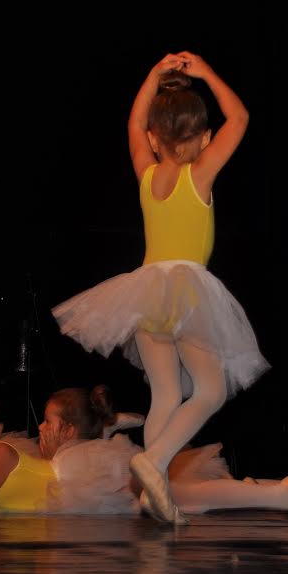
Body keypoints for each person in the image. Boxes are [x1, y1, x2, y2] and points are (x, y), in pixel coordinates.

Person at [52, 52, 269, 524]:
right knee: (210, 391)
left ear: (154, 137)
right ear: (205, 138)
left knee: (166, 397)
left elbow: (133, 122)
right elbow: (240, 117)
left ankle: (157, 493)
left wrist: (153, 76)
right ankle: (153, 463)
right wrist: (206, 72)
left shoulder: (146, 173)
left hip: (147, 292)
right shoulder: (201, 173)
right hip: (189, 292)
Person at [0, 385, 288, 517]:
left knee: (181, 495)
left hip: (86, 482)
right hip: (84, 493)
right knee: (186, 497)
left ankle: (282, 493)